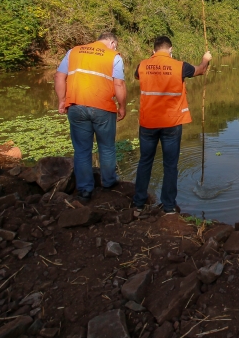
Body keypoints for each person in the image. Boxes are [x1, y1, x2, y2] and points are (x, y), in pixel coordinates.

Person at [133, 36, 211, 213]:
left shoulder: (142, 65)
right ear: (170, 50)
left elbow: (137, 76)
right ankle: (168, 206)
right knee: (170, 165)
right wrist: (205, 59)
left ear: (153, 51)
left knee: (145, 161)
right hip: (171, 123)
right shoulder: (180, 66)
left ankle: (138, 202)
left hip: (148, 123)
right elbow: (200, 70)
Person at [54, 32, 126, 201]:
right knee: (106, 147)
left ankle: (85, 190)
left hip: (76, 105)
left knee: (81, 150)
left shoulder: (74, 52)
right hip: (103, 107)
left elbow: (59, 76)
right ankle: (108, 183)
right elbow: (119, 83)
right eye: (115, 45)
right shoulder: (113, 56)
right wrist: (122, 106)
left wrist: (61, 100)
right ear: (112, 42)